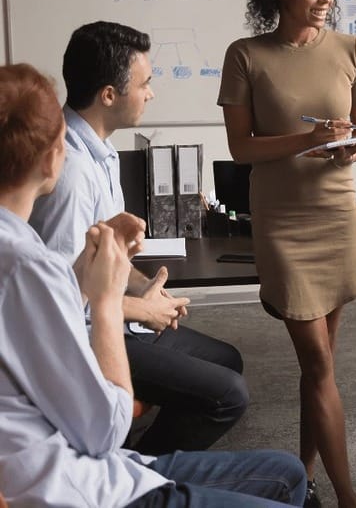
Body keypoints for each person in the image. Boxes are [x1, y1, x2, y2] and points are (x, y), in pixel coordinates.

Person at [0, 62, 306, 507]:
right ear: (51, 159)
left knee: (287, 473)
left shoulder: (21, 254)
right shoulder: (27, 265)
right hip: (86, 487)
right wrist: (107, 301)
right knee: (259, 442)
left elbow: (31, 323)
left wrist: (85, 275)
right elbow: (104, 432)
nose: (151, 92)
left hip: (87, 466)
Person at [28, 21, 249, 455]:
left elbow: (105, 257)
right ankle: (139, 472)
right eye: (145, 83)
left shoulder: (102, 151)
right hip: (83, 339)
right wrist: (140, 310)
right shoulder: (70, 173)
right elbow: (58, 297)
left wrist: (146, 289)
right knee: (228, 395)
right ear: (109, 95)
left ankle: (138, 455)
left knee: (227, 361)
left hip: (116, 318)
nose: (151, 94)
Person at [218, 0, 356, 508]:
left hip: (337, 213)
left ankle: (301, 479)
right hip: (283, 223)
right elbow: (241, 148)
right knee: (317, 362)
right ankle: (348, 497)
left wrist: (349, 148)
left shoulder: (352, 50)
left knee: (320, 366)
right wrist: (307, 138)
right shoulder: (245, 55)